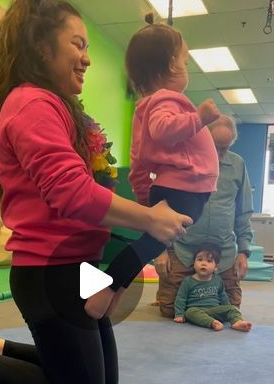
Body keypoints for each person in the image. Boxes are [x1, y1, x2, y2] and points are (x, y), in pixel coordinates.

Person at [0, 0, 193, 384]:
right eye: (77, 44)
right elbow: (72, 192)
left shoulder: (63, 108)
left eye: (87, 46)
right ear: (42, 48)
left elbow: (92, 186)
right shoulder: (30, 104)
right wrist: (151, 218)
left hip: (80, 267)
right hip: (48, 272)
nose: (87, 57)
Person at [85, 17, 220, 320]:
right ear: (171, 65)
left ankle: (111, 293)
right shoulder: (165, 100)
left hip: (180, 188)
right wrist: (199, 118)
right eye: (185, 61)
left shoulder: (145, 106)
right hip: (185, 188)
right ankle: (107, 290)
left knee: (147, 245)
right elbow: (162, 130)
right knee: (148, 246)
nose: (187, 69)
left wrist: (145, 199)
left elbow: (139, 158)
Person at [154, 115, 254, 317]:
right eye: (214, 146)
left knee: (233, 307)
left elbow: (243, 212)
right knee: (168, 309)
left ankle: (199, 305)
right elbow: (159, 209)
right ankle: (196, 303)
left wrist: (243, 252)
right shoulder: (181, 162)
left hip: (222, 251)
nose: (217, 154)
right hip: (184, 247)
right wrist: (160, 251)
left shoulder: (237, 165)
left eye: (224, 148)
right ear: (202, 136)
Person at [173, 244, 252, 332]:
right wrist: (179, 314)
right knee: (189, 312)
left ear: (216, 267)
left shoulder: (217, 280)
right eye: (199, 260)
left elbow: (223, 296)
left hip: (215, 309)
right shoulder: (188, 281)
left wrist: (227, 308)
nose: (203, 263)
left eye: (209, 261)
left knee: (233, 308)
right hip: (197, 309)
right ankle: (212, 323)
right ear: (194, 264)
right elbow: (181, 298)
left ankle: (237, 322)